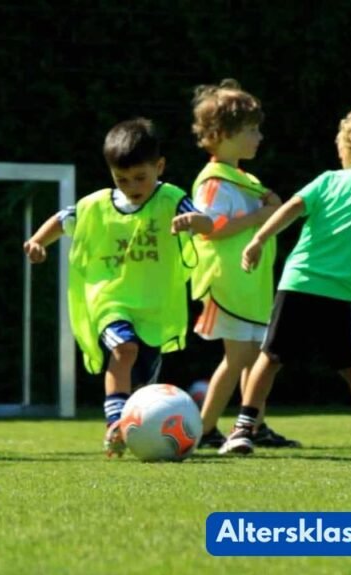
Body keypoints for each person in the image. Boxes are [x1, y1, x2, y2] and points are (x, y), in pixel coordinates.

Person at [219, 106, 351, 455]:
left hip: (298, 283)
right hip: (340, 295)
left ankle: (242, 429)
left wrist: (259, 239)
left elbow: (291, 207)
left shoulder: (328, 180)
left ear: (345, 149)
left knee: (269, 357)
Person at [23, 118, 212, 457]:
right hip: (110, 301)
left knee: (144, 387)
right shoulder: (96, 206)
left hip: (153, 308)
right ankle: (114, 423)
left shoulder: (171, 199)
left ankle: (137, 430)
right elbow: (64, 219)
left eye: (140, 177)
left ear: (160, 166)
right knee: (124, 350)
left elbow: (206, 221)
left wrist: (194, 221)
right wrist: (38, 241)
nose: (131, 186)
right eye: (121, 179)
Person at [186, 79, 301, 450]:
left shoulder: (244, 180)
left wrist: (268, 202)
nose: (259, 137)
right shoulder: (214, 183)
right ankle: (204, 429)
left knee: (255, 358)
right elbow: (211, 229)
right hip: (228, 285)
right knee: (237, 358)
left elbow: (274, 206)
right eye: (251, 130)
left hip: (248, 287)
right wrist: (260, 216)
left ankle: (254, 425)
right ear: (219, 135)